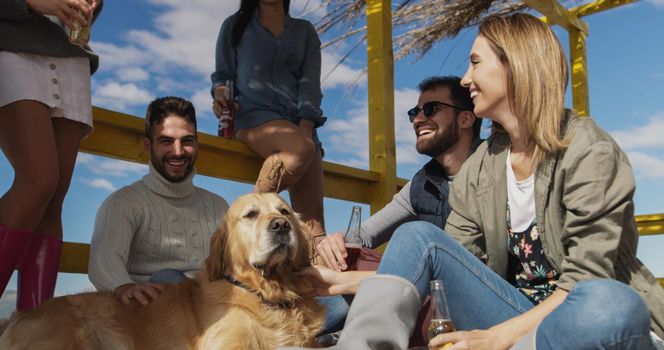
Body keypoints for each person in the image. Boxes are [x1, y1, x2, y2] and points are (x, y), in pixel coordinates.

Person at [284, 13, 664, 350]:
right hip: (515, 316)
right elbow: (431, 266)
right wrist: (339, 281)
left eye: (475, 63)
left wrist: (495, 339)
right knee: (418, 236)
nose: (466, 79)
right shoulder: (482, 165)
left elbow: (583, 285)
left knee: (609, 304)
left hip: (572, 326)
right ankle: (311, 336)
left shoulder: (588, 151)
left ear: (514, 66)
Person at [313, 76, 481, 336]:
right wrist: (336, 243)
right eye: (415, 112)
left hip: (468, 302)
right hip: (423, 291)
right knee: (344, 258)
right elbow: (365, 234)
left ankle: (283, 330)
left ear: (465, 119)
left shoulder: (493, 169)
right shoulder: (423, 182)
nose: (417, 119)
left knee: (411, 239)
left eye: (430, 109)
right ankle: (284, 328)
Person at [0, 0, 103, 311]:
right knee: (39, 180)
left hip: (71, 53)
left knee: (54, 198)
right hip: (10, 45)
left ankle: (34, 332)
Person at [88, 97, 229, 306]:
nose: (178, 151)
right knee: (169, 278)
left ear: (197, 144)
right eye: (166, 141)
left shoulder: (219, 206)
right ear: (148, 145)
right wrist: (124, 286)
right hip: (153, 317)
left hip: (209, 308)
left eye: (187, 141)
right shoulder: (124, 202)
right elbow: (104, 261)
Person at [211, 0, 327, 240]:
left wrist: (305, 132)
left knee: (314, 229)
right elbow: (222, 76)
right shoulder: (234, 26)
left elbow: (310, 85)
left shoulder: (304, 31)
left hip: (298, 126)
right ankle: (240, 231)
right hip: (253, 116)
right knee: (301, 149)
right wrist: (220, 95)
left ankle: (311, 274)